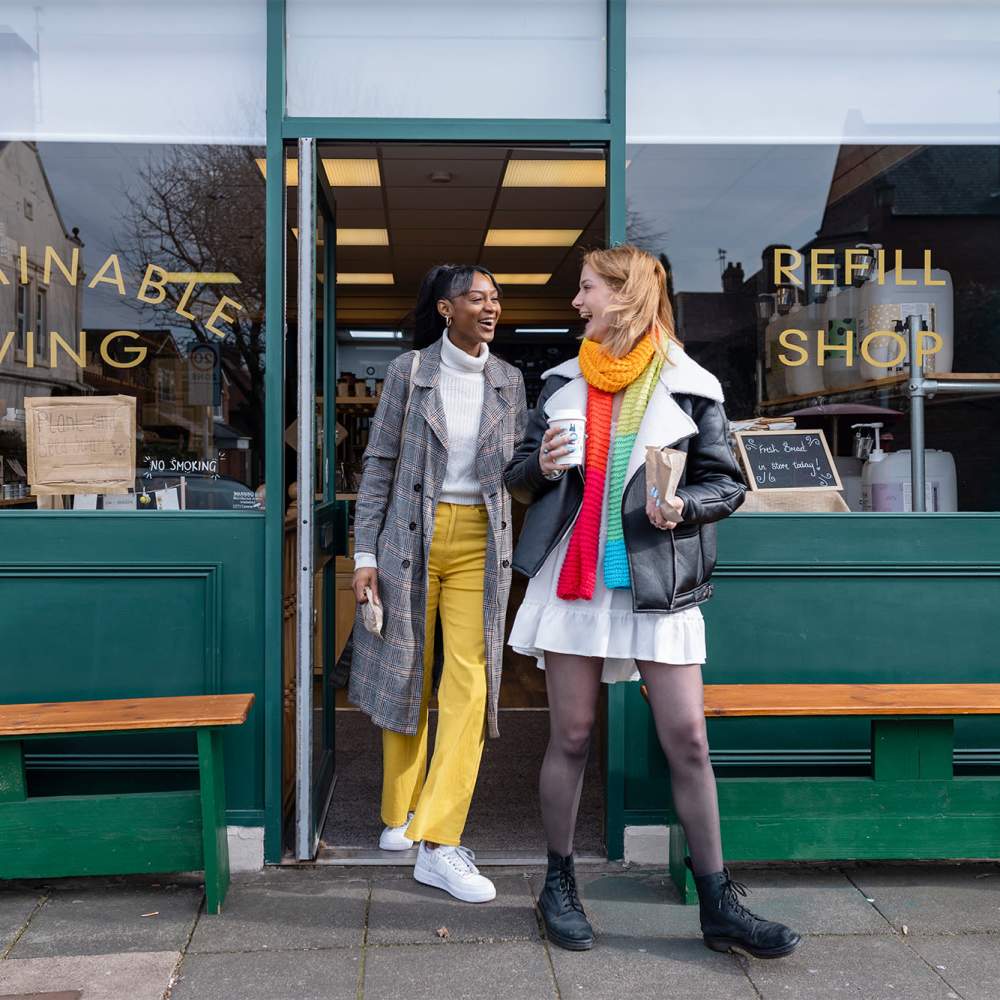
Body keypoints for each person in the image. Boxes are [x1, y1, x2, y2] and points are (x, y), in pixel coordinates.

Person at [505, 245, 800, 958]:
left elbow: (726, 484)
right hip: (574, 581)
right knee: (571, 736)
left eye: (586, 289)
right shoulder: (558, 382)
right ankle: (558, 884)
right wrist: (538, 466)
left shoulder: (692, 385)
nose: (575, 303)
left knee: (688, 741)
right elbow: (516, 473)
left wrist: (682, 508)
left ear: (626, 294)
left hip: (657, 580)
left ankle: (719, 901)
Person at [350, 264, 526, 903]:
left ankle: (440, 839)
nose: (491, 306)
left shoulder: (509, 381)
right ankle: (399, 813)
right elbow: (379, 465)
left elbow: (517, 470)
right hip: (409, 539)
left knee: (469, 682)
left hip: (481, 539)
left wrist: (548, 467)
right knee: (405, 669)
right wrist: (364, 551)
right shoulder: (409, 371)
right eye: (478, 297)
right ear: (447, 308)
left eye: (496, 297)